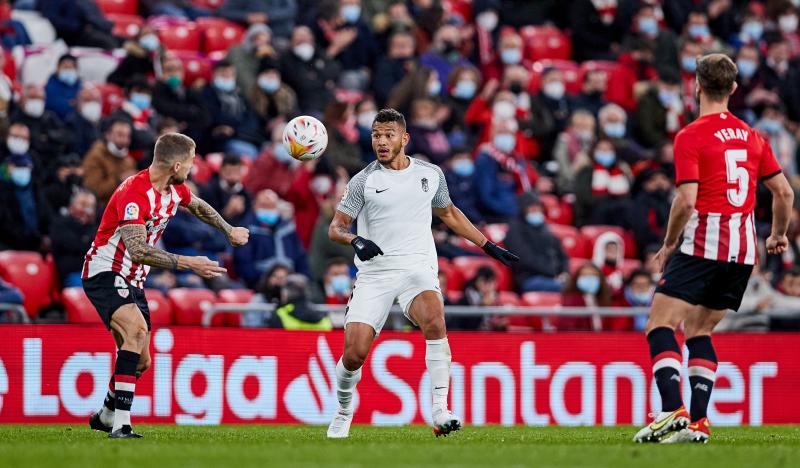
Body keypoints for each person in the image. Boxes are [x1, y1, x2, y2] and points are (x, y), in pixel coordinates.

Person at [325, 108, 518, 439]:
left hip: (417, 267)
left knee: (434, 320)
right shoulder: (363, 181)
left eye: (388, 135)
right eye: (376, 135)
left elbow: (449, 213)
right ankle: (343, 410)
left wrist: (487, 245)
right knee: (354, 354)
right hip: (376, 273)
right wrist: (356, 240)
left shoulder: (430, 174)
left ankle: (440, 410)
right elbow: (336, 228)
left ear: (404, 138)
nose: (381, 142)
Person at [633, 54, 794, 445]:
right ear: (734, 88)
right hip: (743, 252)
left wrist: (669, 243)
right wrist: (777, 234)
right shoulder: (754, 136)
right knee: (699, 330)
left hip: (704, 244)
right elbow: (784, 192)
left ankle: (672, 409)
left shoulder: (691, 135)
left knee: (660, 325)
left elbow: (686, 200)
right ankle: (699, 423)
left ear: (697, 86)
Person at [84, 133, 249, 439]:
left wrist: (228, 230)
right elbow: (138, 250)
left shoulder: (174, 189)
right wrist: (190, 263)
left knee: (141, 361)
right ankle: (121, 425)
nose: (193, 166)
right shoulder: (134, 193)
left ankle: (106, 414)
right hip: (105, 270)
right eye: (191, 161)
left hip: (134, 279)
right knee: (136, 332)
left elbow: (198, 206)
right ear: (176, 166)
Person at [233, 189, 309, 288]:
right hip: (259, 282)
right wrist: (263, 280)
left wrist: (302, 278)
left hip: (290, 279)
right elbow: (243, 261)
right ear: (255, 206)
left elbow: (300, 257)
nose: (268, 210)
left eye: (271, 206)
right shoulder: (245, 230)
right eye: (264, 206)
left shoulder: (288, 229)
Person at [504, 192, 568, 293]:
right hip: (528, 278)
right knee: (566, 289)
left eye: (538, 208)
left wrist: (564, 272)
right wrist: (552, 273)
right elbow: (524, 258)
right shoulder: (515, 229)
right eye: (532, 208)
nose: (536, 211)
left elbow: (562, 255)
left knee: (574, 286)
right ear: (523, 209)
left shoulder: (545, 228)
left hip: (553, 277)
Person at [0, 152, 50, 251]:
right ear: (8, 168)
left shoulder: (35, 189)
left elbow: (46, 215)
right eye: (18, 166)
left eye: (26, 167)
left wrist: (43, 237)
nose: (23, 170)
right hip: (10, 246)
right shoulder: (3, 190)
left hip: (36, 245)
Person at [81, 119, 136, 205]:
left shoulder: (129, 161)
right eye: (120, 135)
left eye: (127, 136)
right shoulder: (95, 156)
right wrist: (119, 180)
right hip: (101, 207)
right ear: (108, 135)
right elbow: (94, 189)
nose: (124, 140)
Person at [50, 190, 97, 287]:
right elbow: (75, 245)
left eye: (90, 206)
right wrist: (85, 240)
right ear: (71, 206)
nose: (86, 209)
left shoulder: (96, 227)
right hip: (73, 274)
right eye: (83, 205)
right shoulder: (60, 224)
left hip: (95, 274)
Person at [200, 153, 252, 227]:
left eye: (236, 171)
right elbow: (205, 220)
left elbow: (247, 223)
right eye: (229, 172)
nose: (233, 176)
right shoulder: (208, 190)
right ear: (221, 170)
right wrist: (227, 213)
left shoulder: (246, 195)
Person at [44, 54, 81, 120]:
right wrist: (73, 104)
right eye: (66, 67)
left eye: (71, 68)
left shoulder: (80, 85)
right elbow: (52, 104)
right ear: (58, 68)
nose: (68, 71)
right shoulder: (49, 86)